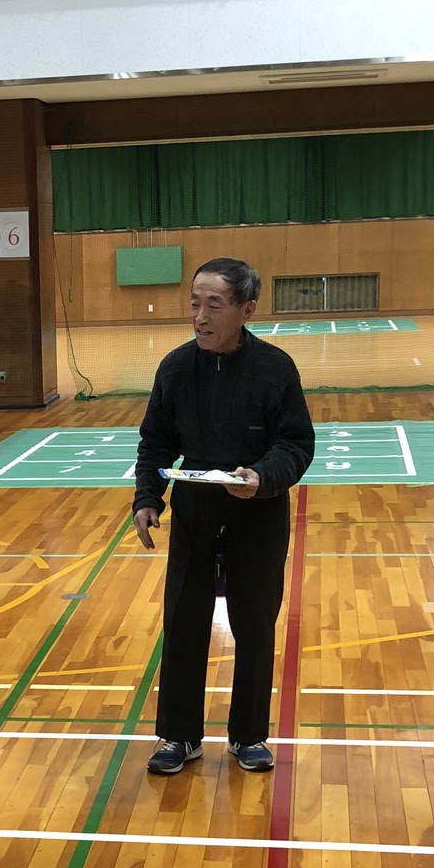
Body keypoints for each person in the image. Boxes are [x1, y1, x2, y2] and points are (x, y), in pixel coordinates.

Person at [133, 258, 314, 776]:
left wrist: (260, 477)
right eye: (195, 303)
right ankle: (179, 737)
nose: (200, 316)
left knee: (254, 625)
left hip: (256, 513)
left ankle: (249, 736)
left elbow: (296, 444)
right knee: (184, 623)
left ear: (246, 309)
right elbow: (157, 442)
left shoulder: (275, 369)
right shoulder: (174, 368)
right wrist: (148, 498)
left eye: (215, 304)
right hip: (194, 512)